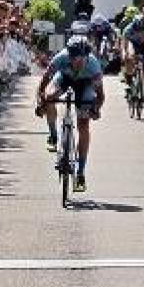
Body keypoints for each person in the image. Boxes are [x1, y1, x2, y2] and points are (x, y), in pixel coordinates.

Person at [36, 36, 105, 192]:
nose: (75, 63)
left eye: (80, 60)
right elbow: (44, 81)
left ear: (86, 57)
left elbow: (100, 95)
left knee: (83, 125)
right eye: (72, 59)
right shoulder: (60, 58)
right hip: (64, 79)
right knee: (49, 97)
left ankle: (80, 172)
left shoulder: (94, 66)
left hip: (85, 84)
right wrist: (41, 102)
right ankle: (53, 135)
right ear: (68, 55)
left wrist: (96, 109)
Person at [121, 15, 144, 100]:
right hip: (132, 44)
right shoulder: (128, 29)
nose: (139, 32)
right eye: (137, 30)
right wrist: (125, 54)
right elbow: (124, 45)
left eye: (141, 30)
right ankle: (129, 82)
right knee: (129, 57)